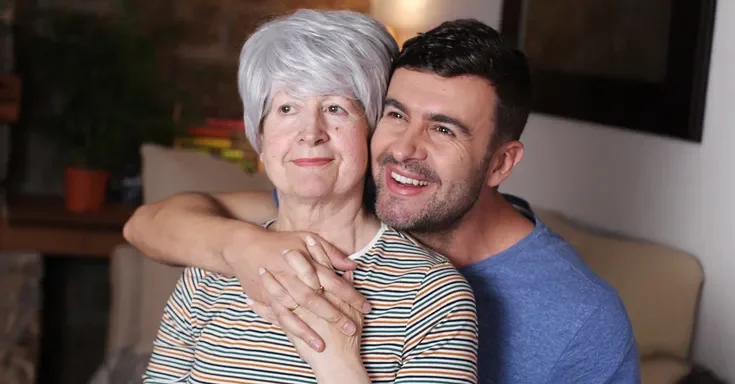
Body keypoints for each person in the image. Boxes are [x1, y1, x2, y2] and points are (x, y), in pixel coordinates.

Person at [126, 17, 641, 384]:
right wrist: (238, 249)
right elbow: (149, 224)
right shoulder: (306, 211)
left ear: (501, 164)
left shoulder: (578, 317)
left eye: (443, 128)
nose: (404, 150)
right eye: (395, 115)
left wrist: (335, 356)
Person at [141, 9, 478, 384]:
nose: (311, 132)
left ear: (372, 133)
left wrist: (337, 363)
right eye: (287, 109)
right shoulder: (208, 272)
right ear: (260, 141)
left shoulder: (433, 296)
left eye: (336, 108)